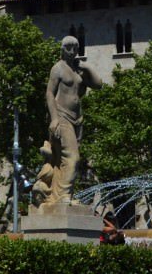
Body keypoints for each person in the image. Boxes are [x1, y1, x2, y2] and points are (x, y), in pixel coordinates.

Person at [39, 35, 102, 204]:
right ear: (62, 49)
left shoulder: (77, 70)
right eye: (68, 47)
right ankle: (64, 196)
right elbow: (49, 93)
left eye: (75, 47)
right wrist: (54, 119)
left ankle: (60, 195)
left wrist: (85, 66)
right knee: (72, 158)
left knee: (64, 160)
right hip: (62, 116)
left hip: (77, 120)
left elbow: (98, 84)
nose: (72, 51)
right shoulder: (57, 68)